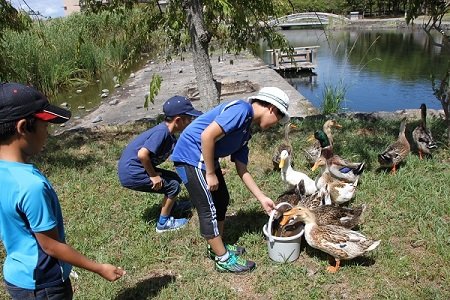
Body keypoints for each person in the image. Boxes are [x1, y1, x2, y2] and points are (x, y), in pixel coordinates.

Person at [0, 82, 125, 299]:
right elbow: (51, 246)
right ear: (22, 128)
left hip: (17, 277)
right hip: (44, 283)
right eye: (45, 126)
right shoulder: (30, 186)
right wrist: (98, 267)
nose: (48, 133)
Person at [171, 86, 290, 273]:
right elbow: (207, 135)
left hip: (204, 159)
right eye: (279, 120)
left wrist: (262, 198)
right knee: (207, 208)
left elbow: (242, 169)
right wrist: (210, 173)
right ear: (272, 109)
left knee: (222, 199)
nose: (276, 124)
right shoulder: (242, 110)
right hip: (190, 158)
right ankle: (223, 259)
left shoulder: (246, 132)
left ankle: (216, 247)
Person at [118, 95, 202, 233]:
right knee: (173, 186)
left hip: (137, 169)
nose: (190, 121)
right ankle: (163, 223)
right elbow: (142, 154)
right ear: (178, 120)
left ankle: (172, 206)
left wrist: (206, 169)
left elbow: (184, 158)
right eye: (189, 118)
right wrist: (154, 176)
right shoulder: (161, 132)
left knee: (175, 179)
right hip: (131, 173)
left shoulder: (170, 137)